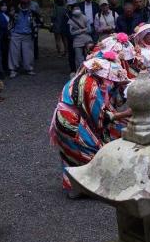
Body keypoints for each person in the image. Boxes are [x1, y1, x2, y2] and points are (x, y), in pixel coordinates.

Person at [49, 54, 130, 195]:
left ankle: (74, 188)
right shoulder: (91, 86)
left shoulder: (88, 79)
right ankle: (88, 187)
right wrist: (123, 116)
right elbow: (100, 115)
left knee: (71, 155)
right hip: (71, 121)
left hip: (66, 117)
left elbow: (106, 106)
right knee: (90, 152)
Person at [8, 0, 42, 78]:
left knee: (28, 53)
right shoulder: (15, 12)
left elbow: (40, 21)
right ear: (20, 3)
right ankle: (13, 70)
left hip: (28, 35)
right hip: (16, 35)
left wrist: (35, 30)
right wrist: (11, 33)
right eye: (23, 3)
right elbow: (10, 23)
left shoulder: (33, 12)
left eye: (26, 3)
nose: (24, 5)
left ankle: (29, 68)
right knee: (14, 53)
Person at [68, 5, 92, 69]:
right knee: (79, 59)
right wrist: (82, 30)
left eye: (77, 8)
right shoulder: (71, 20)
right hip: (77, 41)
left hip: (87, 39)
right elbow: (71, 32)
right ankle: (80, 72)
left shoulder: (85, 18)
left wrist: (78, 31)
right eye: (75, 9)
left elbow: (89, 30)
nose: (76, 10)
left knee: (89, 57)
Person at [0, 0, 9, 79]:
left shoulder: (6, 14)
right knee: (1, 53)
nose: (4, 7)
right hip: (2, 36)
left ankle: (5, 68)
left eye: (5, 5)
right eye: (3, 5)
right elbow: (3, 25)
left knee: (5, 53)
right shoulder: (0, 15)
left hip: (6, 37)